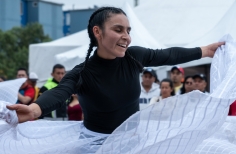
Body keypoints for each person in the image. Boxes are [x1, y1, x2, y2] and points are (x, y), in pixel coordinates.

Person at [6, 7, 224, 152]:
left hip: (132, 143)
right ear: (97, 32)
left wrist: (205, 50)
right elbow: (59, 93)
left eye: (128, 31)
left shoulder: (134, 57)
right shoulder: (82, 73)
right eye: (118, 30)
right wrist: (34, 110)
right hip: (95, 146)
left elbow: (168, 55)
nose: (126, 36)